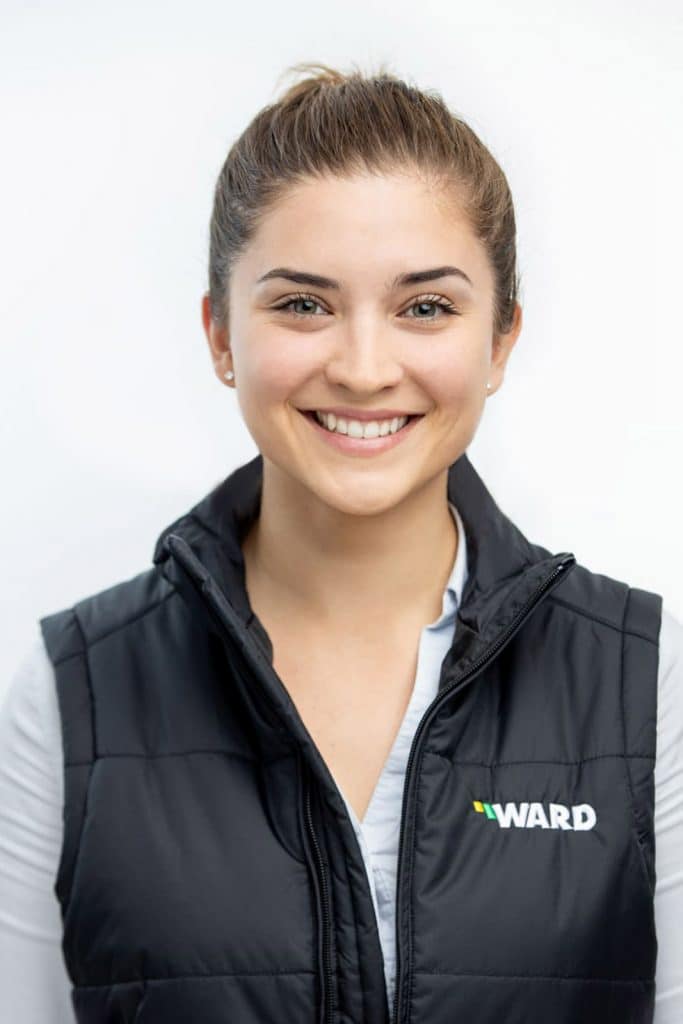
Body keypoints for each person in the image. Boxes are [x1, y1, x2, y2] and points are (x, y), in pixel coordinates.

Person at [1, 61, 681, 1024]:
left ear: (499, 343)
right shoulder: (72, 691)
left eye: (426, 308)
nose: (364, 368)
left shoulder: (648, 682)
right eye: (302, 304)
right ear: (219, 334)